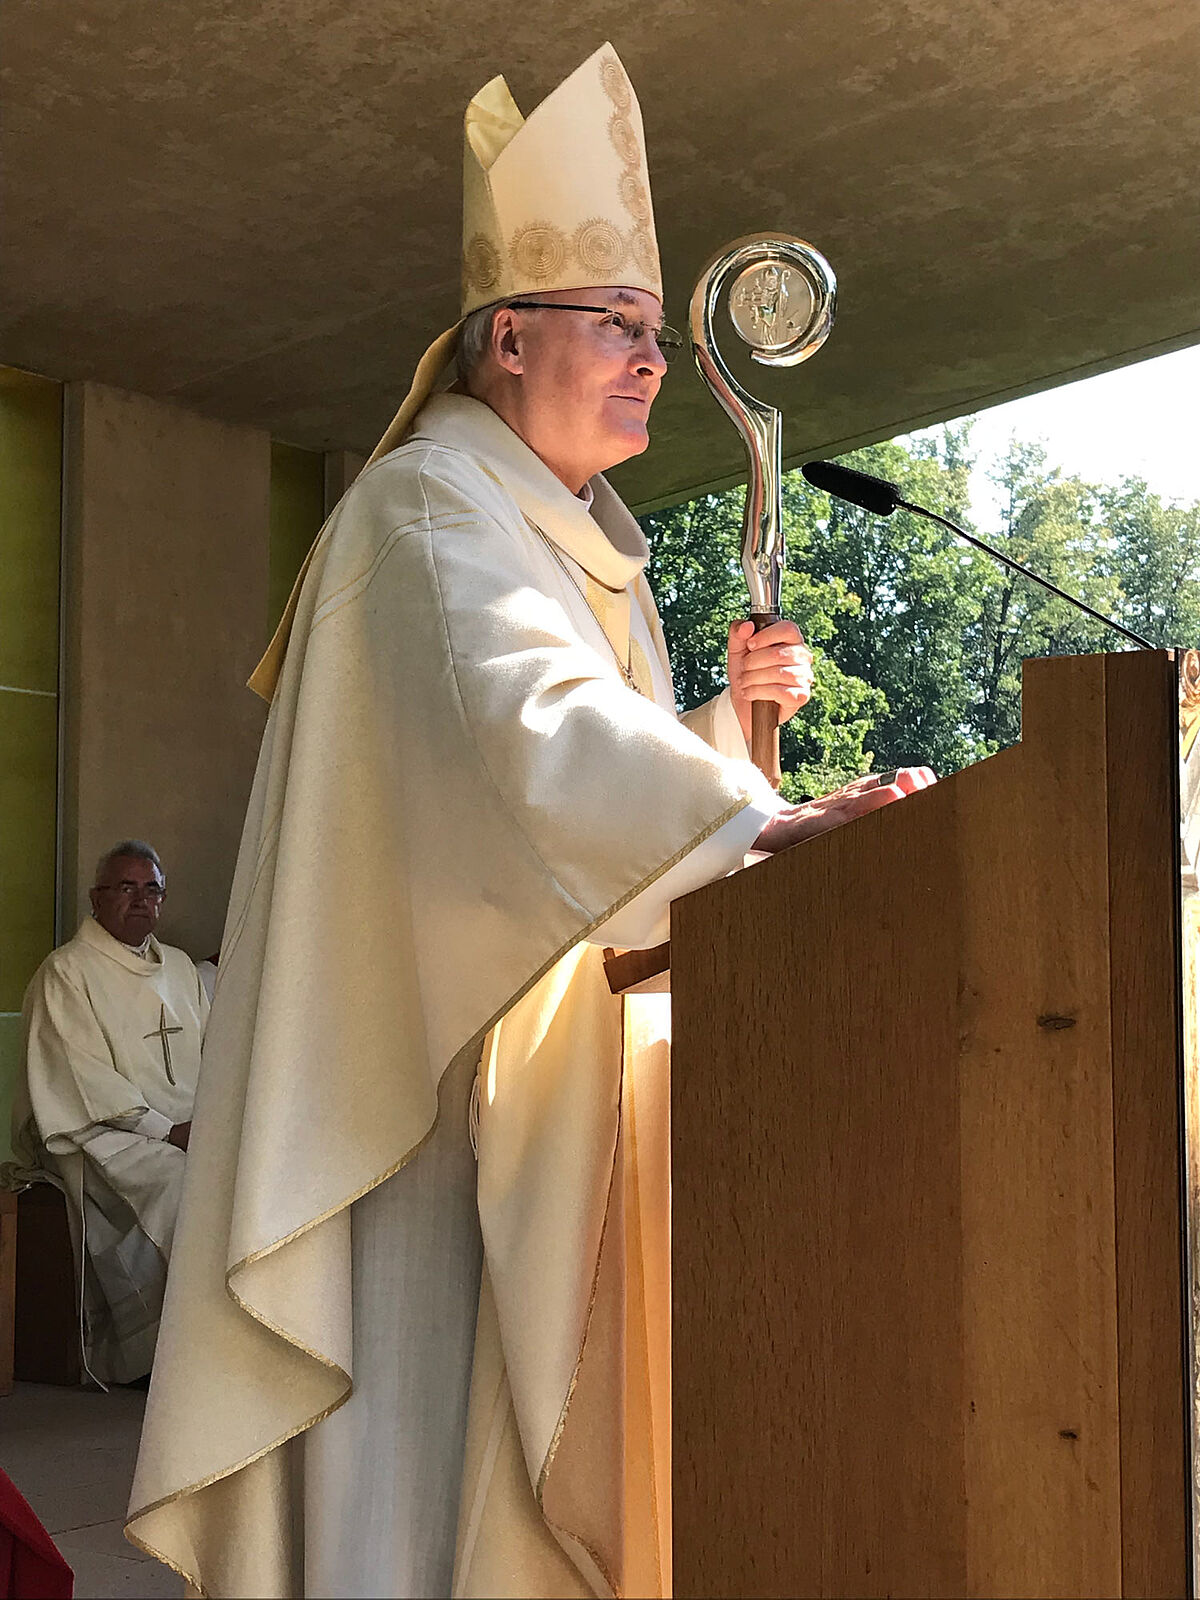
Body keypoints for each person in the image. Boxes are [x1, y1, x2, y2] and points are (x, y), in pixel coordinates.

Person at [127, 44, 932, 1599]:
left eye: (651, 333)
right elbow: (521, 740)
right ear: (507, 337)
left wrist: (729, 754)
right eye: (617, 329)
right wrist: (756, 832)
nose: (648, 361)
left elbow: (574, 780)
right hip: (424, 1115)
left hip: (533, 1088)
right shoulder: (426, 507)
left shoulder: (564, 542)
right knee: (422, 1489)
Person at [13, 841, 206, 1385]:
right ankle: (166, 1358)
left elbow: (219, 1052)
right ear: (97, 899)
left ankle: (221, 1340)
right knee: (182, 1185)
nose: (140, 900)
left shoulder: (181, 969)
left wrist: (210, 1121)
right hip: (97, 1131)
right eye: (126, 888)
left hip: (188, 1128)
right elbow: (80, 1077)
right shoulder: (67, 972)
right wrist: (168, 1131)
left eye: (152, 889)